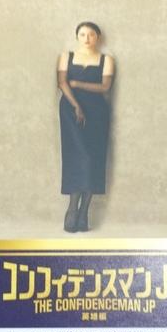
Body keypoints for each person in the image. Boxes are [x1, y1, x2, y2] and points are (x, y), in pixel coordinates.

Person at [56, 21, 115, 232]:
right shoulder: (67, 56)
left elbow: (105, 87)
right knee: (76, 157)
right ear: (77, 37)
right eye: (82, 34)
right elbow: (62, 83)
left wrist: (78, 84)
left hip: (97, 112)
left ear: (98, 37)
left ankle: (84, 212)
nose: (87, 38)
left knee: (93, 159)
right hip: (71, 111)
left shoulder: (107, 60)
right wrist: (76, 105)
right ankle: (72, 208)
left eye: (91, 34)